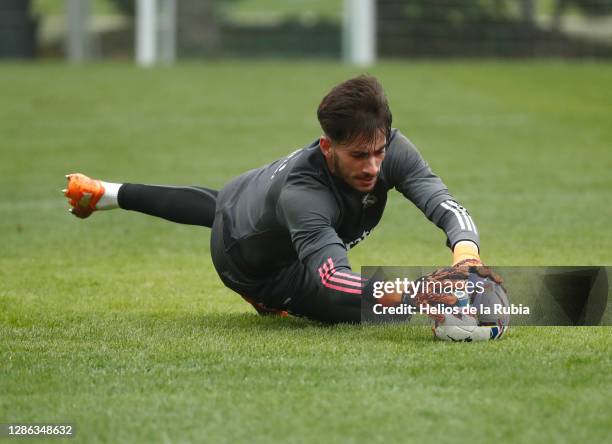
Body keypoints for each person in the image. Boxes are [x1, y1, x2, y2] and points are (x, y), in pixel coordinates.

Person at [63, 75, 482, 324]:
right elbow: (334, 281)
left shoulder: (389, 147)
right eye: (358, 156)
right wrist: (413, 294)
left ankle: (106, 193)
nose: (373, 166)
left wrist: (465, 252)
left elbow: (441, 200)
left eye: (379, 152)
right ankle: (261, 295)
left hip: (249, 191)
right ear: (326, 147)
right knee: (351, 308)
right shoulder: (306, 196)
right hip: (257, 267)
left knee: (225, 205)